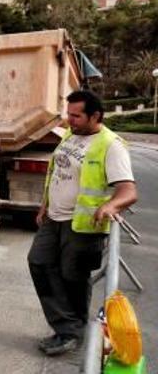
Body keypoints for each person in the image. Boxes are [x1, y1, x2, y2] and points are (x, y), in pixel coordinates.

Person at [27, 90, 137, 356]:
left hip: (83, 226)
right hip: (54, 219)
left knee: (73, 278)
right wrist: (45, 205)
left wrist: (110, 205)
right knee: (39, 263)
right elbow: (59, 173)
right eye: (68, 113)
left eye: (76, 115)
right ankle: (66, 326)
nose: (69, 119)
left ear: (95, 116)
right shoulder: (71, 134)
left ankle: (70, 333)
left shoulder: (111, 145)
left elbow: (128, 191)